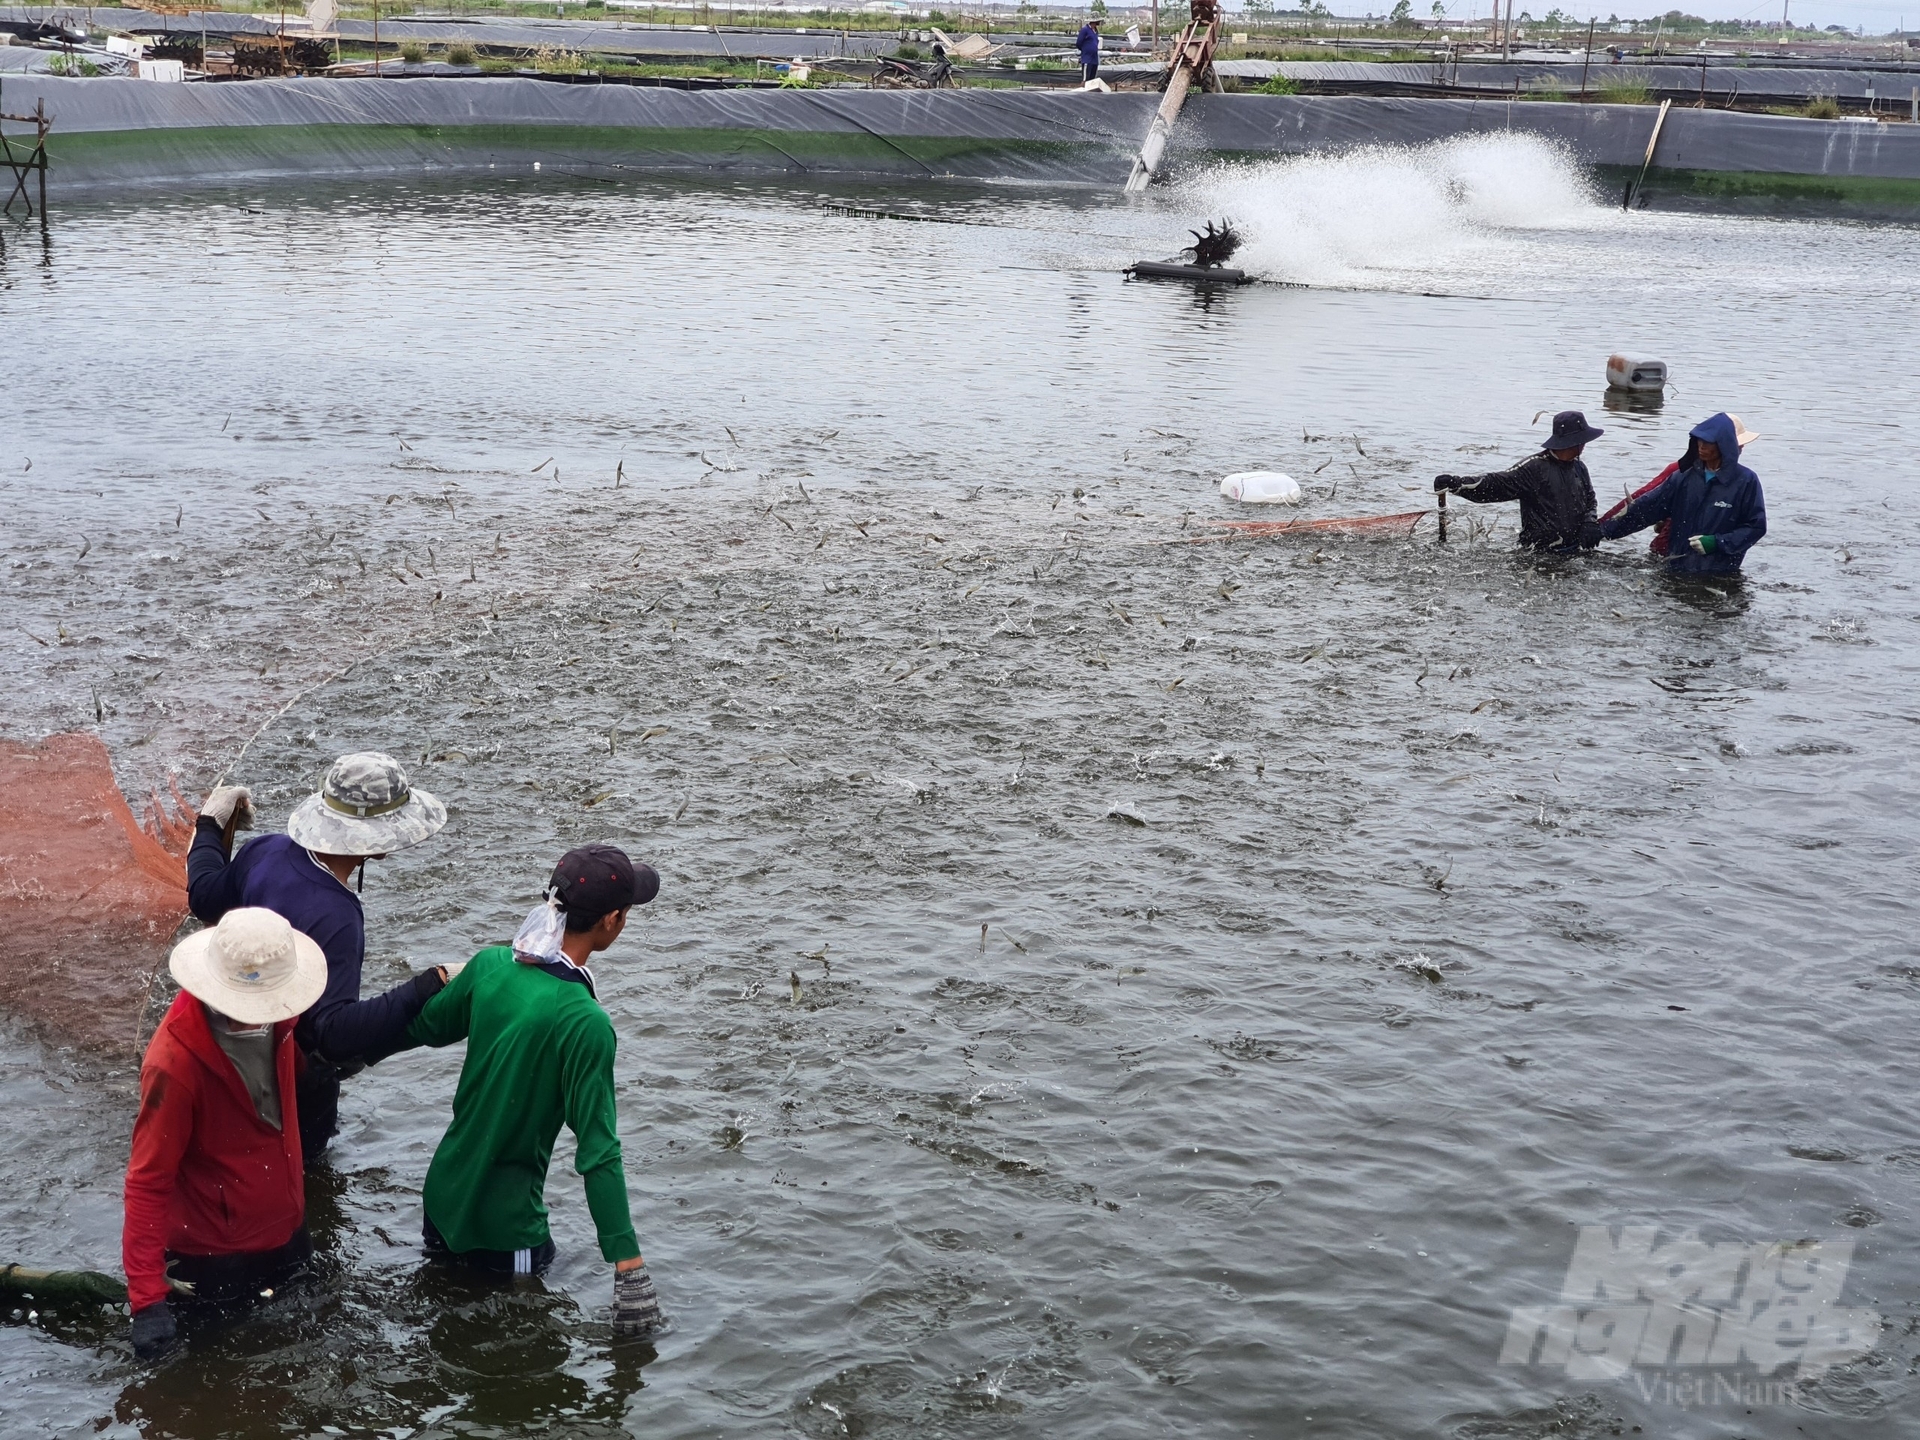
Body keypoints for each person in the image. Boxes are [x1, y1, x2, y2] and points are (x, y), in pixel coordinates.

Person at [408, 845, 665, 1337]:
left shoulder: (489, 966)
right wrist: (627, 1261)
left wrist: (342, 1047)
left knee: (447, 1329)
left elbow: (421, 1027)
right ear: (612, 920)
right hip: (506, 1231)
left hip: (441, 1202)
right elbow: (598, 1152)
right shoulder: (584, 1021)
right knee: (516, 1358)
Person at [189, 752, 448, 1160]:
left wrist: (209, 825)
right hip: (290, 1091)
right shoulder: (337, 915)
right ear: (378, 844)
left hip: (226, 1054)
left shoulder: (264, 851)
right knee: (302, 1187)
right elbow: (334, 1033)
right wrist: (429, 984)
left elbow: (203, 898)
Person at [123, 907, 328, 1360]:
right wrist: (148, 1299)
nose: (260, 1016)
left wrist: (312, 1072)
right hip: (215, 1262)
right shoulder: (173, 1066)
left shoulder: (284, 1023)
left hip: (289, 1232)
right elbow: (147, 1181)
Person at [1598, 412, 1766, 574]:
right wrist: (1602, 530)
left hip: (1720, 571)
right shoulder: (1683, 477)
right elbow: (1646, 507)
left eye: (1708, 442)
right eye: (1700, 441)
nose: (1701, 447)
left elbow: (1756, 527)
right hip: (1676, 567)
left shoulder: (1746, 482)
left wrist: (1716, 543)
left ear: (1725, 445)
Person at [1434, 410, 1604, 553]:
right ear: (1574, 442)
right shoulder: (1534, 468)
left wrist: (1590, 522)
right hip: (1539, 553)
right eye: (1583, 440)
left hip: (1575, 549)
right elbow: (1497, 484)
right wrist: (1457, 484)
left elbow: (1590, 500)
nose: (1584, 444)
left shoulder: (1580, 468)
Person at [1076, 16, 1102, 85]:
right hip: (1087, 58)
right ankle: (1083, 92)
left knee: (1092, 79)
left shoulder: (1095, 31)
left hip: (1094, 58)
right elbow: (1079, 42)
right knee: (1085, 78)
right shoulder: (1085, 30)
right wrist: (1085, 50)